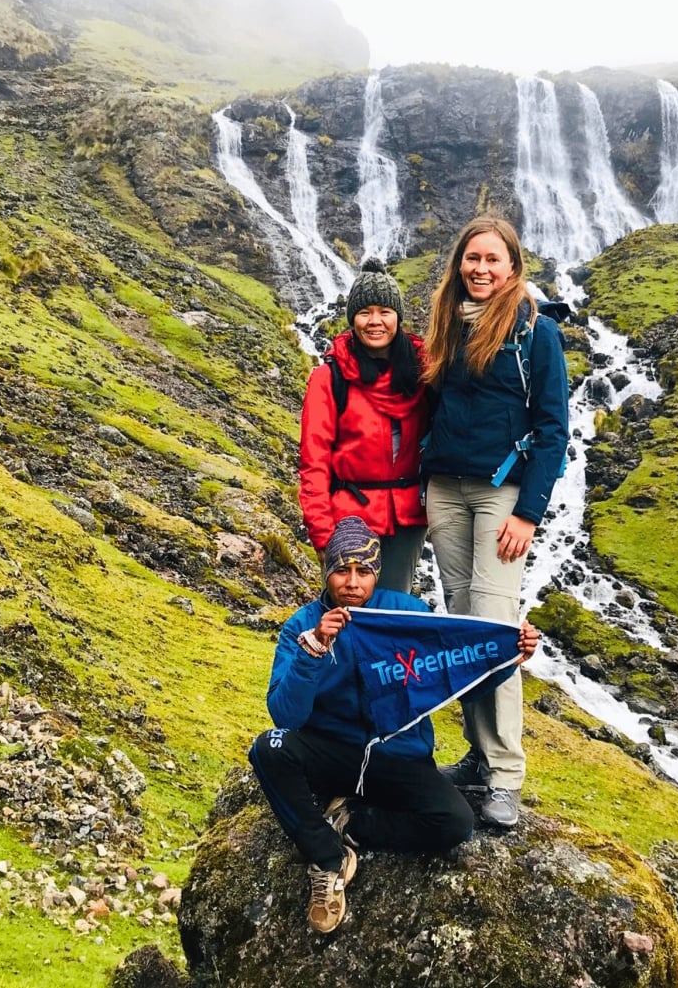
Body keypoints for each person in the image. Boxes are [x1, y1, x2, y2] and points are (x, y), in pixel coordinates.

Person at [249, 516, 540, 933]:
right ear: (326, 572)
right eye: (342, 570)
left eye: (363, 572)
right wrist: (313, 650)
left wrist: (507, 660)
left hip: (400, 759)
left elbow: (458, 682)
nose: (352, 582)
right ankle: (327, 857)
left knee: (455, 823)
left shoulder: (406, 614)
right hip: (333, 755)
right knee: (270, 747)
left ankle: (349, 823)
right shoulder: (301, 625)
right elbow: (286, 715)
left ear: (377, 573)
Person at [420, 215, 571, 827]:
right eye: (471, 258)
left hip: (501, 496)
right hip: (446, 492)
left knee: (493, 629)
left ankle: (506, 773)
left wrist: (530, 513)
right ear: (459, 262)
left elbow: (555, 427)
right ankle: (480, 758)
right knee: (465, 631)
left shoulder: (536, 333)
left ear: (513, 267)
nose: (480, 269)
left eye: (492, 260)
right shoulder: (446, 326)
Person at [299, 260, 431, 594]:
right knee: (346, 612)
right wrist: (322, 532)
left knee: (392, 610)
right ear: (352, 318)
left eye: (385, 311)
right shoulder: (330, 378)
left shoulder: (425, 370)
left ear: (398, 317)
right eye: (364, 312)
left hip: (407, 518)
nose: (375, 321)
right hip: (349, 516)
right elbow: (313, 462)